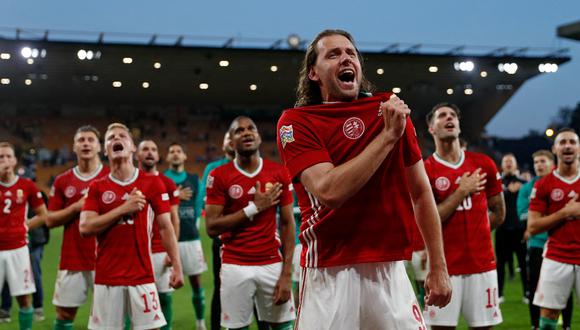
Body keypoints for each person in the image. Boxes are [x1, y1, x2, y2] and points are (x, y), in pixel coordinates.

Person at [276, 29, 451, 329]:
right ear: (314, 73)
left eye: (351, 53)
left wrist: (438, 265)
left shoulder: (390, 111)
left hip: (389, 269)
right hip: (329, 270)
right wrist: (387, 137)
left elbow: (421, 194)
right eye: (333, 54)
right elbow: (329, 190)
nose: (346, 58)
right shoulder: (296, 122)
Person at [79, 123, 183, 330]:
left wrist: (178, 266)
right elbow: (85, 227)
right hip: (107, 278)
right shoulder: (97, 187)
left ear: (132, 147)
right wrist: (123, 209)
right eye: (111, 138)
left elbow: (165, 227)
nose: (116, 139)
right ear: (105, 148)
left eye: (122, 136)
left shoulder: (153, 184)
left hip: (142, 275)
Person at [205, 116, 295, 330]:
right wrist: (253, 208)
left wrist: (287, 274)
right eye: (239, 131)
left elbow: (288, 224)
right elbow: (211, 227)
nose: (246, 132)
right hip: (234, 265)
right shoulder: (219, 175)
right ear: (231, 142)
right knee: (237, 328)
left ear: (258, 137)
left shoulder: (279, 173)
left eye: (251, 129)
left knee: (283, 326)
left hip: (271, 262)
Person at [422, 103, 506, 329]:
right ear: (432, 128)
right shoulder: (425, 170)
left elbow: (499, 212)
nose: (449, 118)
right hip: (444, 267)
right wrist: (461, 192)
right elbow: (427, 219)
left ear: (458, 126)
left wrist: (478, 234)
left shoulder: (483, 164)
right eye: (441, 116)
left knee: (483, 327)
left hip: (482, 266)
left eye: (453, 116)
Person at [45, 125, 109, 330]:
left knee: (112, 314)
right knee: (64, 313)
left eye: (91, 140)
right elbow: (50, 220)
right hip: (72, 258)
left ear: (99, 146)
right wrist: (75, 207)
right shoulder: (63, 180)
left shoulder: (111, 177)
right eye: (81, 140)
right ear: (74, 147)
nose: (86, 143)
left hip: (107, 258)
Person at [528, 128, 580, 330]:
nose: (567, 145)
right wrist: (565, 212)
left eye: (572, 142)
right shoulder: (543, 184)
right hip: (556, 257)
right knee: (548, 315)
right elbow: (532, 226)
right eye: (563, 142)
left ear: (578, 148)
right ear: (555, 148)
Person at [517, 150, 573, 330]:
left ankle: (566, 324)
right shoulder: (527, 188)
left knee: (565, 289)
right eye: (536, 162)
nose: (538, 165)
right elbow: (523, 214)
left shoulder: (563, 182)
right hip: (537, 243)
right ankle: (535, 324)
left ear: (552, 163)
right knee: (535, 287)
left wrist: (545, 216)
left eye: (542, 161)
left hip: (563, 246)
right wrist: (561, 213)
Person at [0, 141, 47, 330]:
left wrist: (24, 227)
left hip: (18, 249)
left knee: (23, 298)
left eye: (8, 156)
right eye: (0, 157)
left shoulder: (27, 185)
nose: (4, 160)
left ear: (15, 160)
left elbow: (43, 215)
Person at [136, 139, 181, 330]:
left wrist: (172, 252)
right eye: (145, 149)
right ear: (137, 154)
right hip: (137, 251)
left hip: (160, 250)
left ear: (158, 155)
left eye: (153, 149)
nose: (149, 152)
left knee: (164, 297)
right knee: (136, 300)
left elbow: (173, 220)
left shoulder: (167, 183)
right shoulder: (131, 180)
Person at [164, 142, 207, 330]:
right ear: (167, 158)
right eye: (171, 151)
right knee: (165, 288)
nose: (175, 154)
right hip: (166, 241)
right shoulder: (162, 178)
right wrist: (175, 195)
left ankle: (200, 323)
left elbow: (198, 207)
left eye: (178, 151)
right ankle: (166, 325)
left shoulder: (194, 179)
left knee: (196, 283)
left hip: (190, 238)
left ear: (184, 157)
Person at [197, 132, 235, 330]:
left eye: (232, 137)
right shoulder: (212, 168)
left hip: (250, 237)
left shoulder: (253, 165)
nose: (230, 141)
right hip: (221, 238)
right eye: (227, 137)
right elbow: (207, 200)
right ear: (223, 144)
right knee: (220, 286)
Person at [496, 153, 528, 303]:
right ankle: (499, 293)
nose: (508, 164)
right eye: (506, 161)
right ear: (502, 165)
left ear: (516, 165)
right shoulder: (497, 183)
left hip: (520, 230)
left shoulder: (524, 183)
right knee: (500, 264)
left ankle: (527, 293)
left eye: (511, 161)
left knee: (523, 263)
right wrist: (507, 191)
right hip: (502, 230)